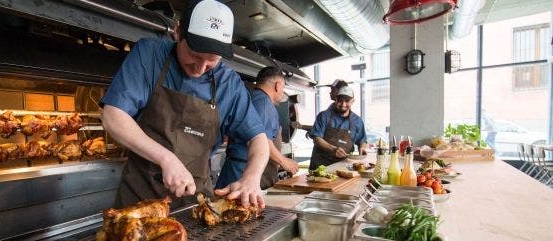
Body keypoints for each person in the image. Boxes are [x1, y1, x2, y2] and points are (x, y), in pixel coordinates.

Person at [100, 0, 269, 209]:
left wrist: (251, 178)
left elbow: (258, 139)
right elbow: (113, 116)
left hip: (196, 203)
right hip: (140, 200)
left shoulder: (229, 83)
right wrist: (166, 158)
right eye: (194, 55)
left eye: (212, 61)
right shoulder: (150, 55)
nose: (200, 68)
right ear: (178, 31)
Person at [216, 66, 299, 189]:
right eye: (283, 88)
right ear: (277, 85)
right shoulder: (264, 104)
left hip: (237, 168)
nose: (282, 93)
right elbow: (263, 140)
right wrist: (284, 161)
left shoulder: (251, 98)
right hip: (244, 172)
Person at [308, 85, 367, 170]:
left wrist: (362, 147)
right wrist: (333, 149)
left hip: (344, 167)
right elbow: (317, 139)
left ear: (353, 101)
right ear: (335, 100)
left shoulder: (357, 121)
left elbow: (362, 140)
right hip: (320, 166)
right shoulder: (324, 116)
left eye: (347, 101)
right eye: (340, 101)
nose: (343, 104)